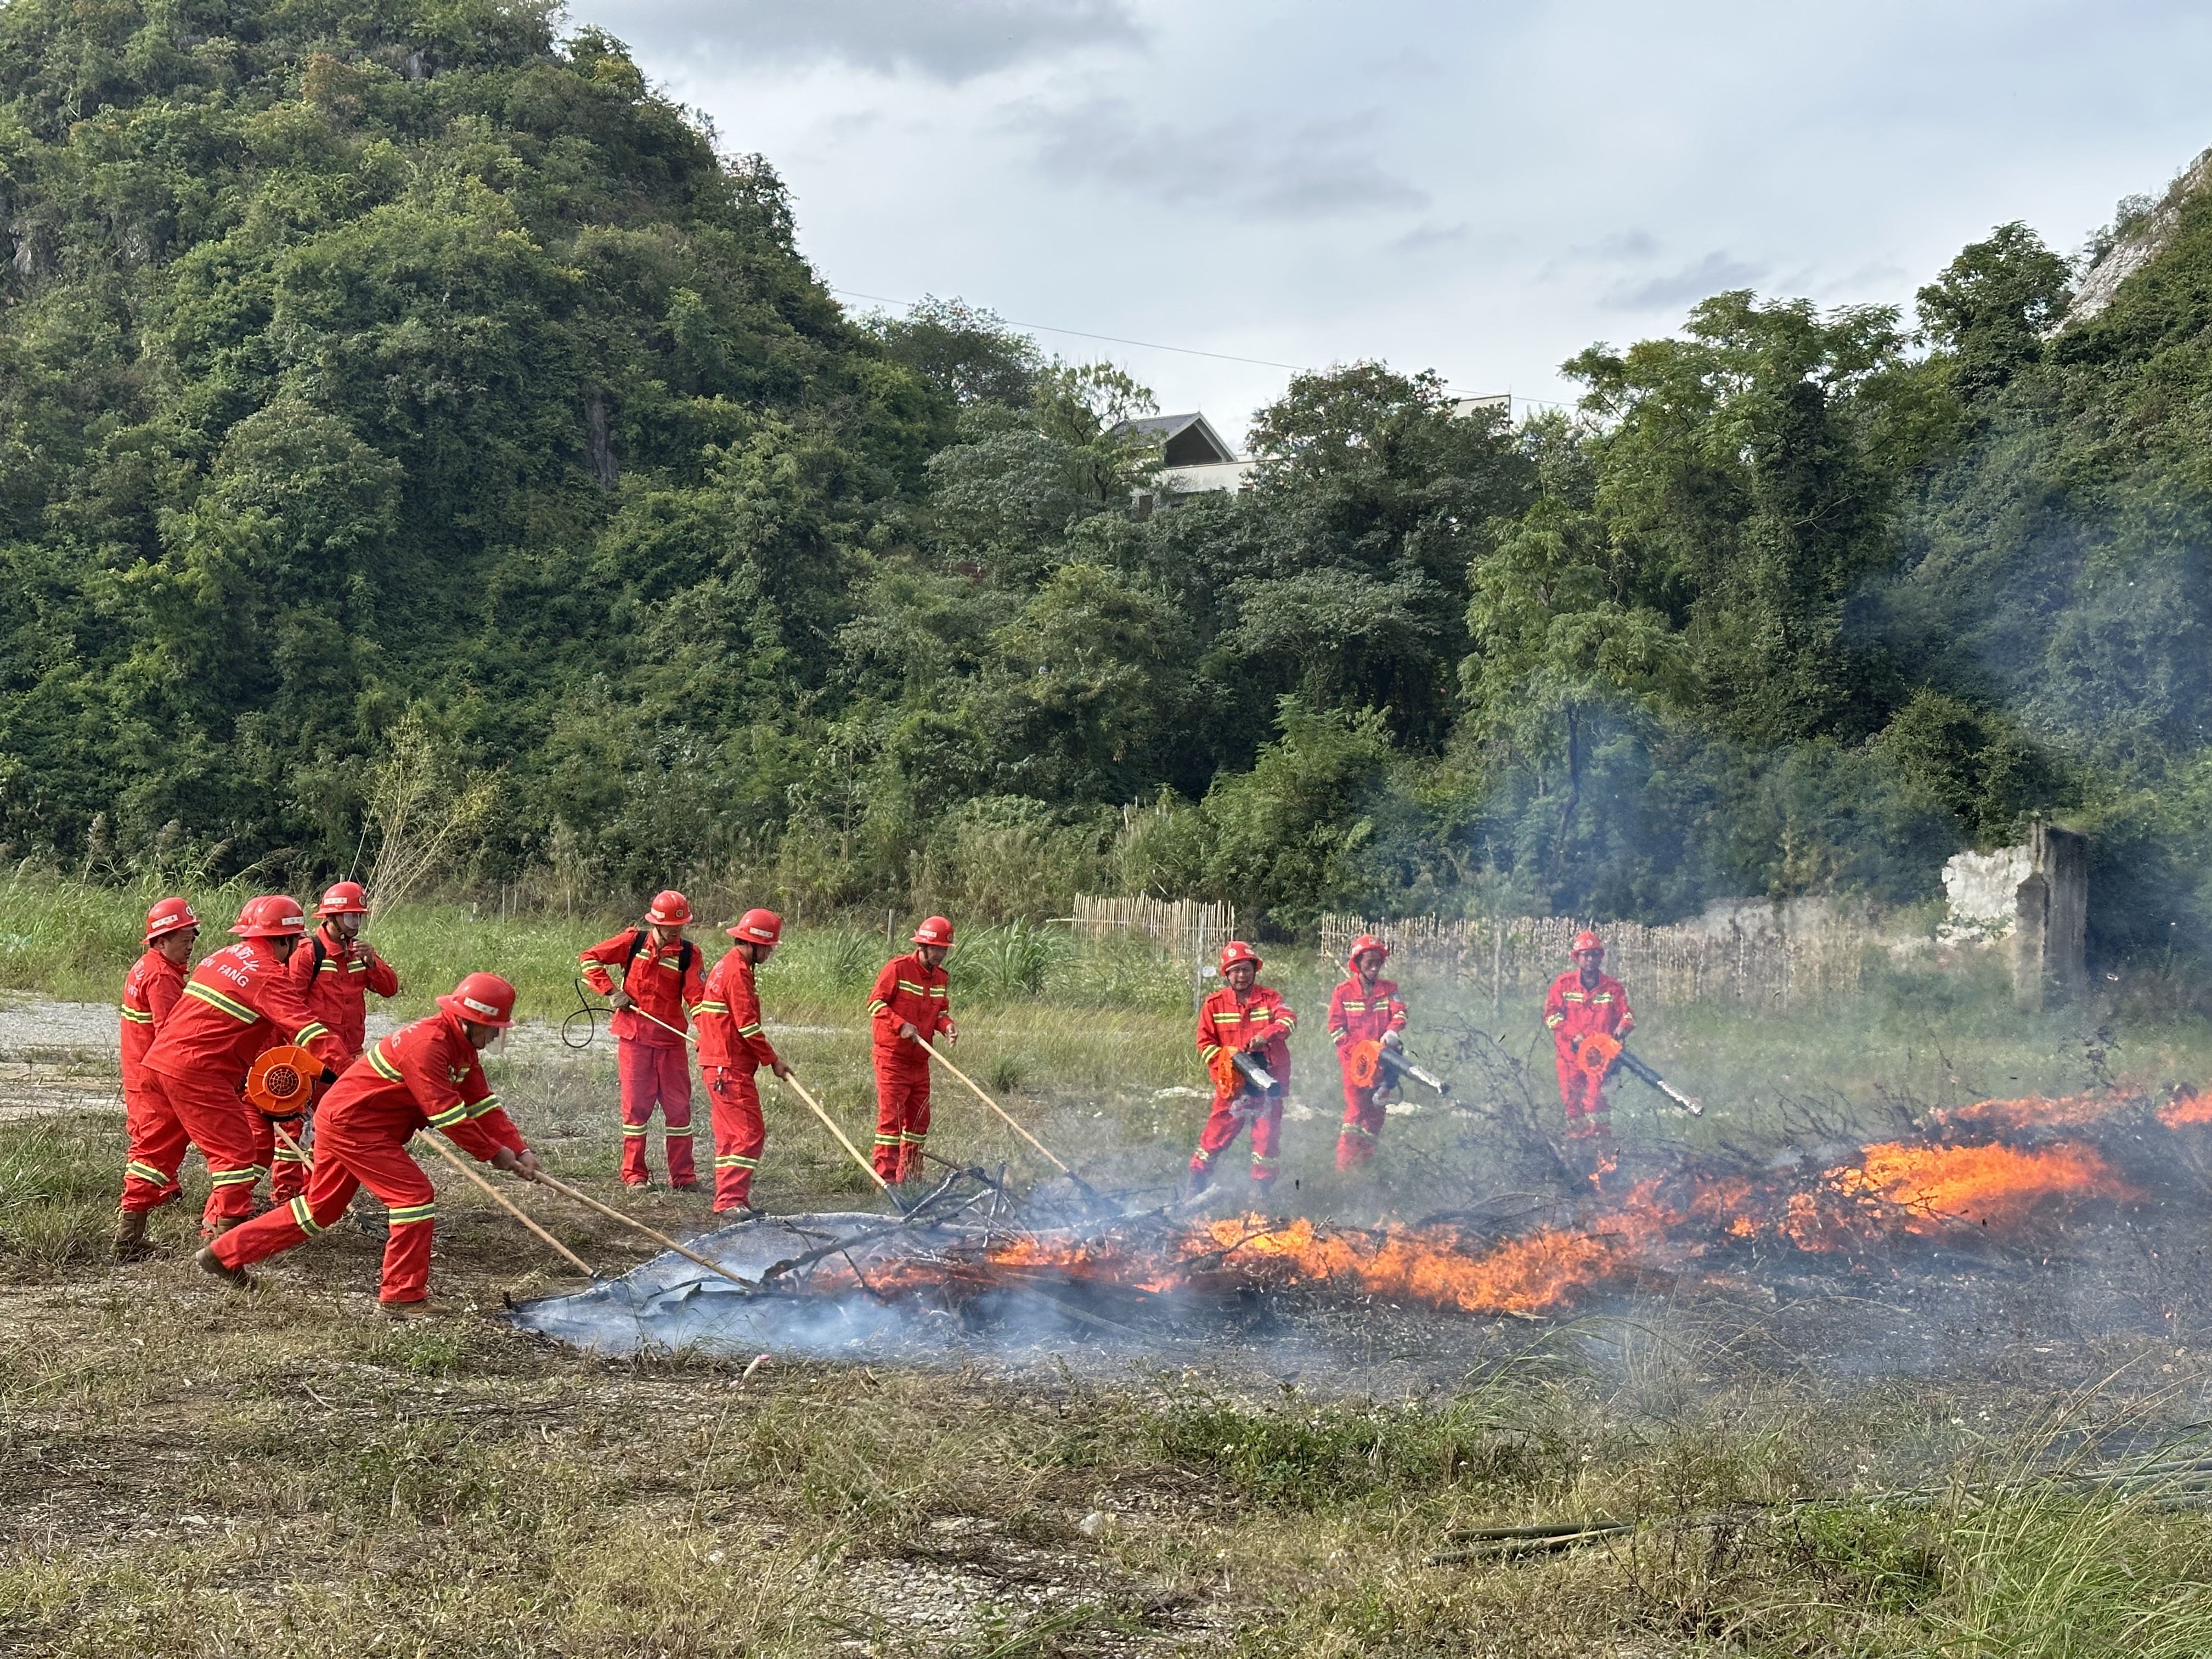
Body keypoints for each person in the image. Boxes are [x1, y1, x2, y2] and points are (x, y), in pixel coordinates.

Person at [197, 973, 540, 1312]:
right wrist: (493, 1153)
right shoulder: (428, 1046)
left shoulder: (460, 1047)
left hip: (349, 1122)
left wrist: (520, 1149)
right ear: (468, 1020)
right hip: (355, 1127)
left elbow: (482, 1104)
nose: (493, 1036)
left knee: (318, 1211)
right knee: (413, 1197)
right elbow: (447, 1115)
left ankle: (224, 1253)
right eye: (491, 1029)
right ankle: (402, 1296)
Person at [116, 895, 348, 1254]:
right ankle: (224, 1250)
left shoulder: (219, 958)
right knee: (238, 1155)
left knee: (155, 1152)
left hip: (160, 1065)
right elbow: (309, 1033)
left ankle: (128, 1236)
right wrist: (352, 1075)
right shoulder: (268, 974)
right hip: (200, 1072)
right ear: (285, 940)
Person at [256, 879, 399, 1205]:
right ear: (331, 918)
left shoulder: (360, 954)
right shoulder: (309, 953)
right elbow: (287, 1007)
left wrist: (374, 963)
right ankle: (286, 1195)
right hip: (311, 1058)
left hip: (347, 1057)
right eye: (350, 917)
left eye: (359, 917)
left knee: (330, 1125)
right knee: (295, 1127)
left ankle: (313, 1192)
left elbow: (390, 989)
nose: (355, 923)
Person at [578, 891, 705, 1189]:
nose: (676, 931)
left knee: (679, 1110)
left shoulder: (689, 954)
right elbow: (589, 959)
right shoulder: (633, 942)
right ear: (656, 923)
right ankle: (634, 1174)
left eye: (680, 925)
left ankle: (683, 1177)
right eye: (670, 926)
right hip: (634, 1039)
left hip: (671, 1042)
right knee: (636, 1109)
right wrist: (612, 991)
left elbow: (697, 999)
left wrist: (706, 1032)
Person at [693, 909, 793, 1214]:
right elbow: (747, 1026)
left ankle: (733, 1199)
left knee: (730, 1137)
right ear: (754, 943)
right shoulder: (736, 972)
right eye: (768, 947)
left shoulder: (727, 966)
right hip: (728, 1067)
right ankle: (730, 1201)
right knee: (749, 1133)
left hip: (720, 1063)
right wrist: (773, 1061)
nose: (770, 953)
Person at [114, 898, 200, 1242]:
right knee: (154, 1142)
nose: (190, 946)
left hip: (138, 1067)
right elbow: (171, 1035)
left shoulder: (144, 966)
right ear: (162, 941)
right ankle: (130, 1229)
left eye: (192, 938)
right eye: (185, 940)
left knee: (146, 1134)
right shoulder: (162, 977)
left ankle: (165, 1189)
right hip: (154, 1072)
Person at [1189, 941, 1296, 1195]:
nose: (1241, 976)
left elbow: (1288, 1020)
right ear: (1227, 973)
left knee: (1267, 1140)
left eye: (1246, 970)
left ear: (1254, 970)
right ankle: (1195, 1184)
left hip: (1267, 1082)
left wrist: (1266, 1036)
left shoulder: (1271, 999)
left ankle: (1260, 1194)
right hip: (1233, 1087)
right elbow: (1205, 1043)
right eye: (1235, 970)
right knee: (1215, 1136)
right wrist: (1227, 1066)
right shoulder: (1214, 1004)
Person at [867, 917, 956, 1184]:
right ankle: (885, 1181)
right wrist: (900, 1025)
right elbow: (875, 1004)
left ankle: (911, 1180)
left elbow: (940, 1012)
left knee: (919, 1122)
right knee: (891, 1122)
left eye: (944, 950)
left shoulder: (941, 978)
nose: (940, 955)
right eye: (936, 949)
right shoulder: (898, 969)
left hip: (920, 1062)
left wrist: (947, 1026)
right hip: (892, 1060)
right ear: (922, 946)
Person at [1544, 930, 1635, 1152]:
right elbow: (1551, 1015)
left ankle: (1602, 1146)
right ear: (1577, 957)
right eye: (1585, 955)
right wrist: (1572, 1034)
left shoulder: (1613, 988)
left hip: (1600, 1059)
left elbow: (1627, 1015)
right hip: (1570, 1057)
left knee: (1596, 1101)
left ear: (1600, 957)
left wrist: (1623, 1028)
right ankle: (1577, 1147)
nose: (1590, 960)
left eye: (1594, 955)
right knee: (1572, 1103)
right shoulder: (1564, 985)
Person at [1328, 933, 1408, 1171]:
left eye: (1378, 962)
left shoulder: (1390, 989)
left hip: (1383, 1062)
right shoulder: (1343, 992)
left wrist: (1393, 1030)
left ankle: (1363, 1165)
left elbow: (1400, 1012)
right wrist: (1358, 1053)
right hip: (1355, 1065)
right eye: (1369, 962)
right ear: (1358, 963)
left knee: (1376, 1116)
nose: (1374, 967)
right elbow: (1336, 1028)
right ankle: (1344, 1168)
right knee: (1355, 1113)